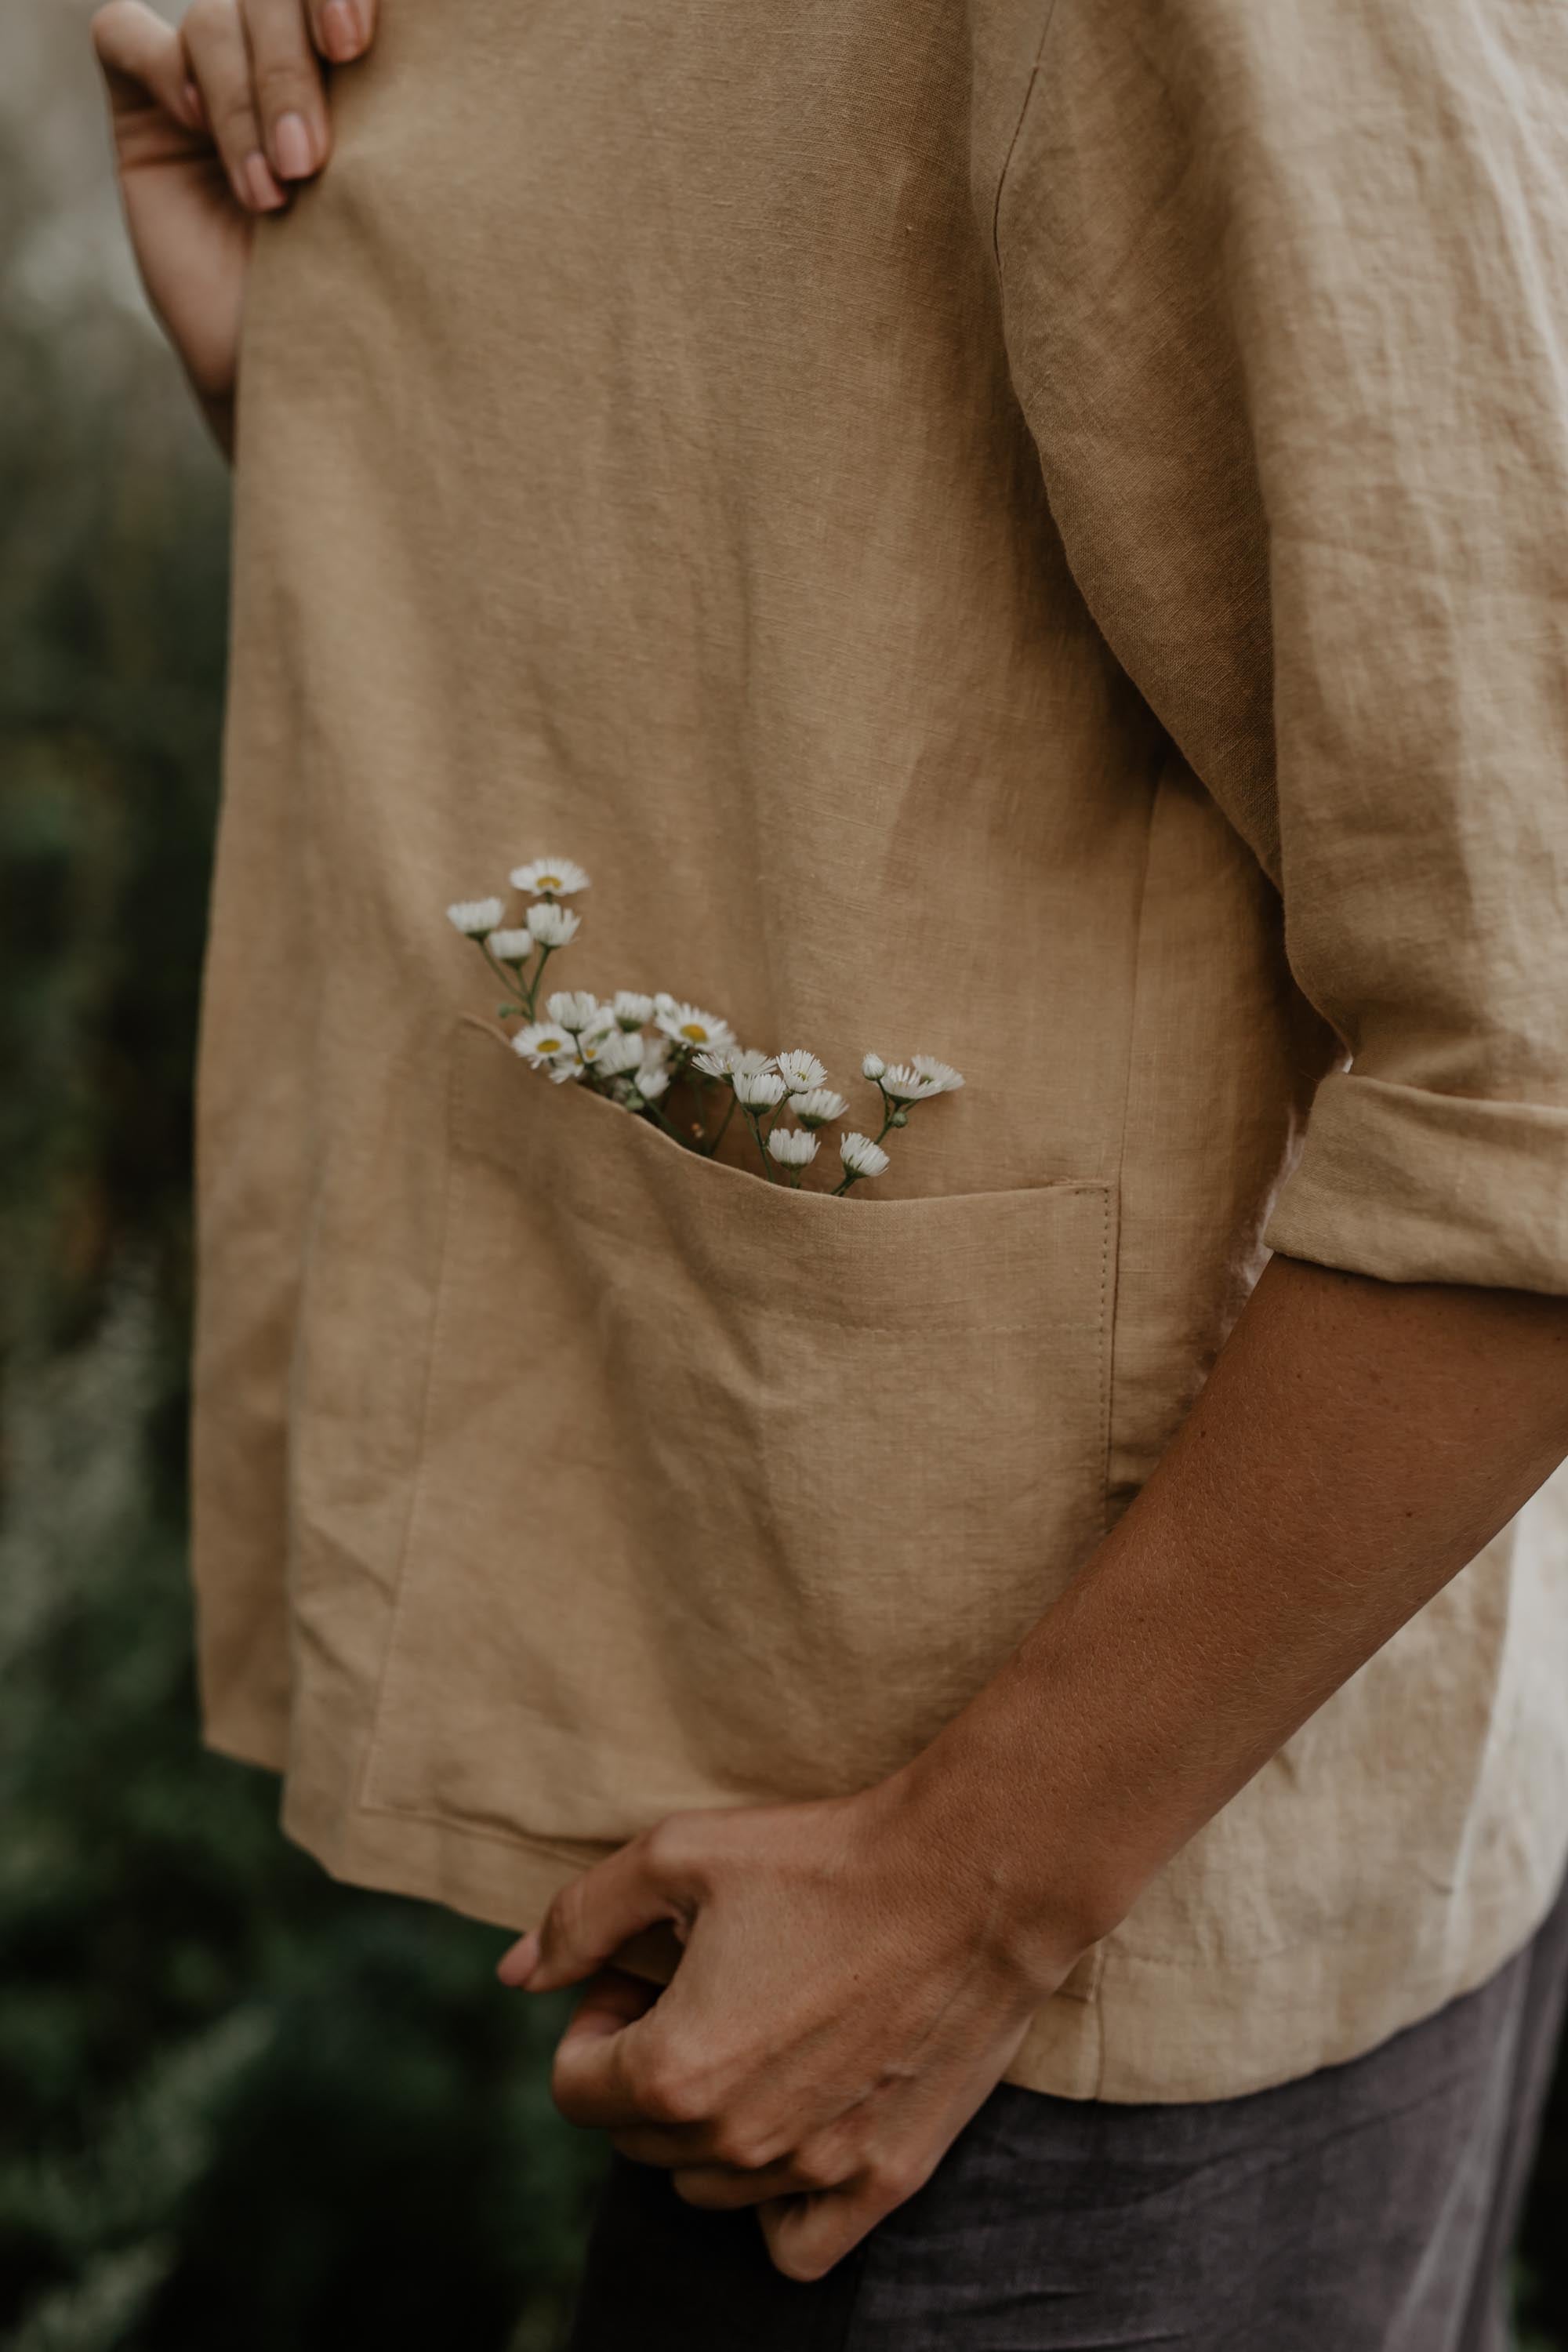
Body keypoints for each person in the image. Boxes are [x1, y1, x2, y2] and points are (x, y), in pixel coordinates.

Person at [94, 1, 1568, 2344]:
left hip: (1023, 1980)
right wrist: (335, 361)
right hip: (783, 1859)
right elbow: (841, 561)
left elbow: (1545, 1046)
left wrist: (971, 1892)